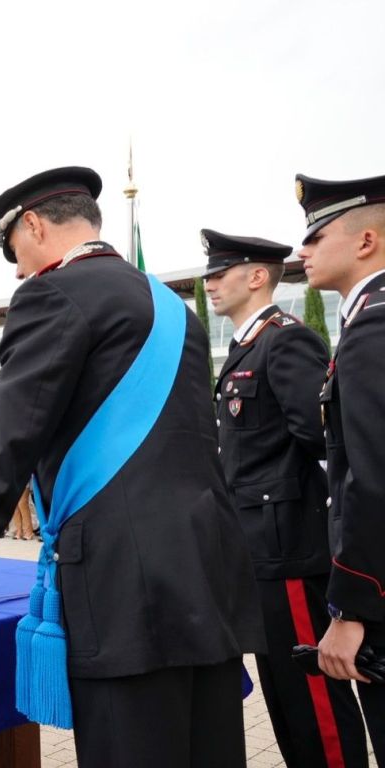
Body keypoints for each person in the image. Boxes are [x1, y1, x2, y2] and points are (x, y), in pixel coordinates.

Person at [0, 166, 264, 767]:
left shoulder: (53, 294)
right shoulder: (173, 308)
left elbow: (3, 447)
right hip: (205, 572)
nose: (15, 269)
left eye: (13, 250)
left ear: (32, 225)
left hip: (122, 588)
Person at [204, 228, 368, 766]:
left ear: (256, 276)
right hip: (260, 553)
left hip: (289, 551)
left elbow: (327, 445)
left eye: (219, 273)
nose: (209, 284)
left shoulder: (284, 339)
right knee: (285, 697)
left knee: (313, 696)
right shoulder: (246, 347)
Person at [297, 171, 385, 758]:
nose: (301, 250)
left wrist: (353, 609)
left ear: (365, 241)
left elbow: (374, 481)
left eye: (316, 235)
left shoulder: (374, 326)